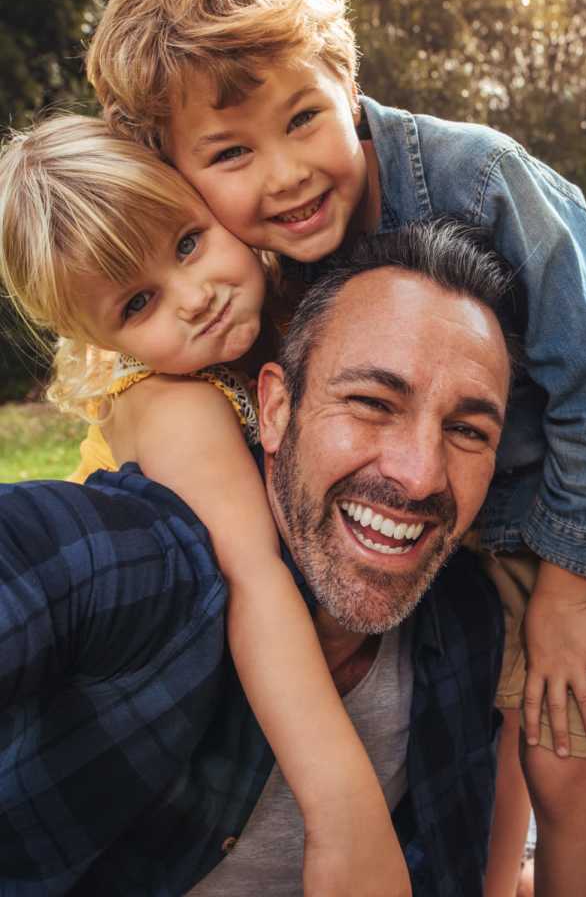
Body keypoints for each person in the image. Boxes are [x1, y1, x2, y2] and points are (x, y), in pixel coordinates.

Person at [84, 0, 586, 896]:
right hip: (472, 496)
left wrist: (562, 588)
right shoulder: (256, 262)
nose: (285, 174)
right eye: (231, 154)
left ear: (346, 77)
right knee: (489, 714)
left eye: (301, 119)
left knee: (559, 740)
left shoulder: (482, 179)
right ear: (182, 172)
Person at [0, 222, 514, 895]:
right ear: (271, 406)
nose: (419, 475)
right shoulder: (153, 562)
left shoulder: (468, 617)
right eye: (370, 402)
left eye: (468, 429)